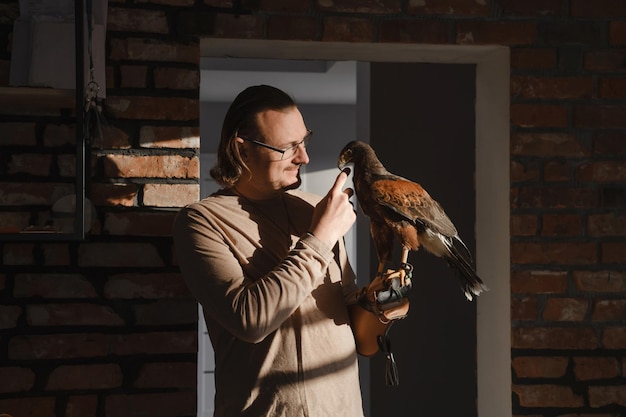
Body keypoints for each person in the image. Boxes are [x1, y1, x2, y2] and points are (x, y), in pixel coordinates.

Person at [173, 85, 409, 417]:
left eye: (304, 142)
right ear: (242, 150)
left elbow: (353, 330)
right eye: (288, 147)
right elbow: (250, 320)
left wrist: (378, 303)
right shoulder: (201, 221)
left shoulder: (314, 209)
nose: (304, 157)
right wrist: (320, 236)